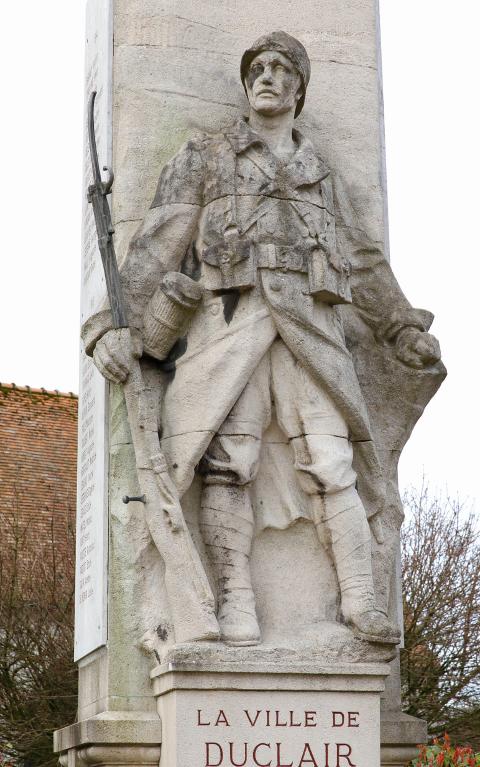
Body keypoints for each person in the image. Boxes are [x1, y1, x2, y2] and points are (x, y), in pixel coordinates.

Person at [83, 32, 441, 647]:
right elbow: (159, 243)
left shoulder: (320, 171)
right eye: (258, 68)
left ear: (300, 89)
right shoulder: (207, 155)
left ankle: (360, 601)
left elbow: (361, 258)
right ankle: (234, 604)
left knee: (334, 463)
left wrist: (401, 323)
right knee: (226, 465)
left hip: (311, 327)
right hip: (229, 323)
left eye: (281, 69)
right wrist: (106, 330)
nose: (267, 77)